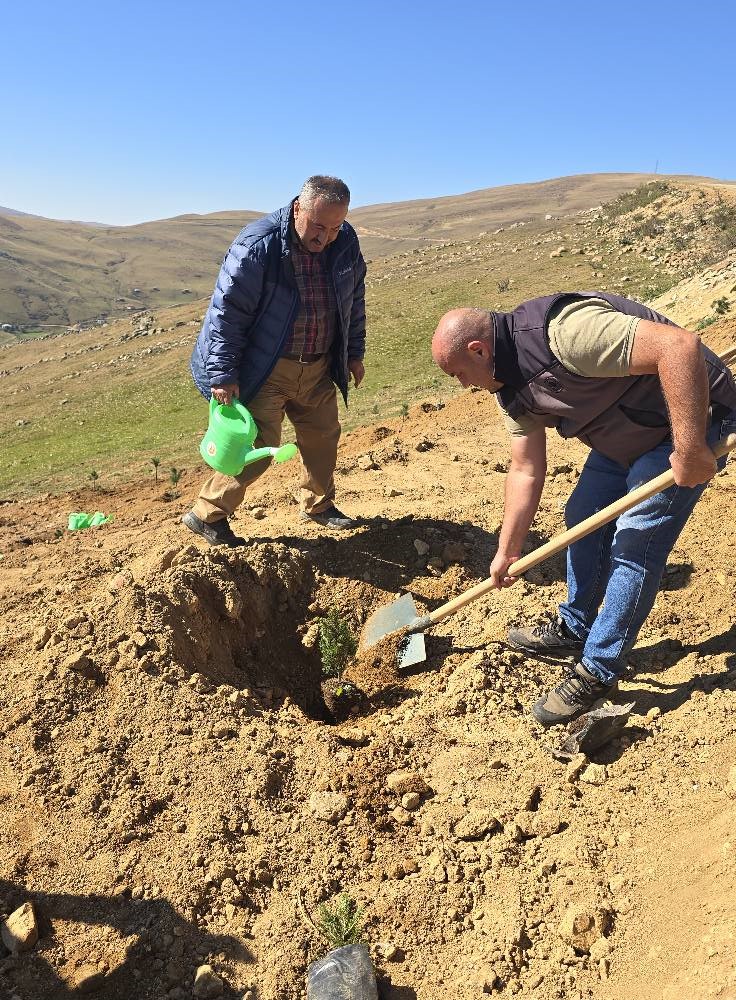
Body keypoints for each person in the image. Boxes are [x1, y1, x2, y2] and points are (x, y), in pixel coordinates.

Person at [432, 292, 736, 726]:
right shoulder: (510, 387)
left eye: (459, 373)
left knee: (635, 540)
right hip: (622, 435)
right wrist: (508, 549)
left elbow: (679, 347)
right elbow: (525, 468)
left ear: (478, 350)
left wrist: (690, 448)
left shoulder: (565, 334)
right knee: (582, 517)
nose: (462, 385)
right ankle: (576, 627)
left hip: (689, 420)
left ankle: (598, 669)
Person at [184, 175, 367, 547]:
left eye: (334, 227)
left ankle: (318, 504)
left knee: (322, 436)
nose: (325, 237)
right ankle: (207, 514)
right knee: (256, 448)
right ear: (298, 208)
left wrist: (353, 352)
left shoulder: (345, 241)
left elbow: (354, 299)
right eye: (318, 226)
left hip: (317, 364)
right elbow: (227, 312)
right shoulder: (259, 245)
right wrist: (223, 372)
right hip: (265, 367)